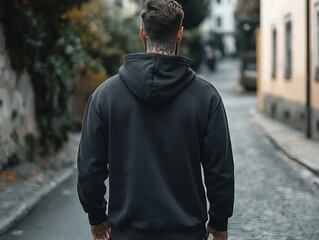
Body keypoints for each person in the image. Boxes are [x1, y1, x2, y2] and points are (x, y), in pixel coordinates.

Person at [77, 0, 234, 240]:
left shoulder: (104, 96)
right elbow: (219, 170)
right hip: (187, 233)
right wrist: (219, 220)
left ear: (143, 33)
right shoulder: (207, 97)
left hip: (126, 233)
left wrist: (96, 216)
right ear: (179, 34)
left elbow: (89, 168)